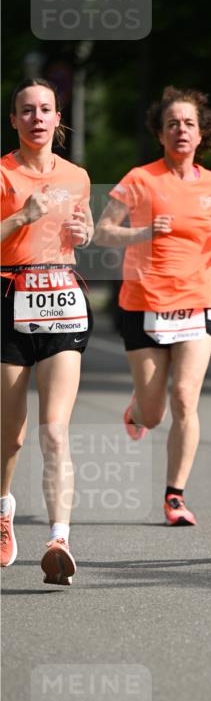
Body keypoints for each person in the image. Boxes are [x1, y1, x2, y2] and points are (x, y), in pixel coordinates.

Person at [94, 87, 211, 526]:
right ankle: (138, 409)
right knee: (154, 414)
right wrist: (145, 231)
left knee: (185, 398)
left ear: (201, 133)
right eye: (172, 124)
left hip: (196, 301)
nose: (181, 130)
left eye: (189, 123)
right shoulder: (140, 179)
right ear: (160, 133)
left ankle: (175, 496)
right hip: (144, 302)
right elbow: (102, 231)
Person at [1, 78, 94, 584]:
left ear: (58, 118)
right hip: (9, 301)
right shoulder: (2, 173)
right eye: (27, 110)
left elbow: (84, 228)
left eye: (45, 110)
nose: (36, 117)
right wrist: (21, 217)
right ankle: (3, 510)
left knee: (54, 430)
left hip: (62, 301)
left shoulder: (77, 176)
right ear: (14, 119)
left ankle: (59, 539)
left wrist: (86, 232)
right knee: (11, 437)